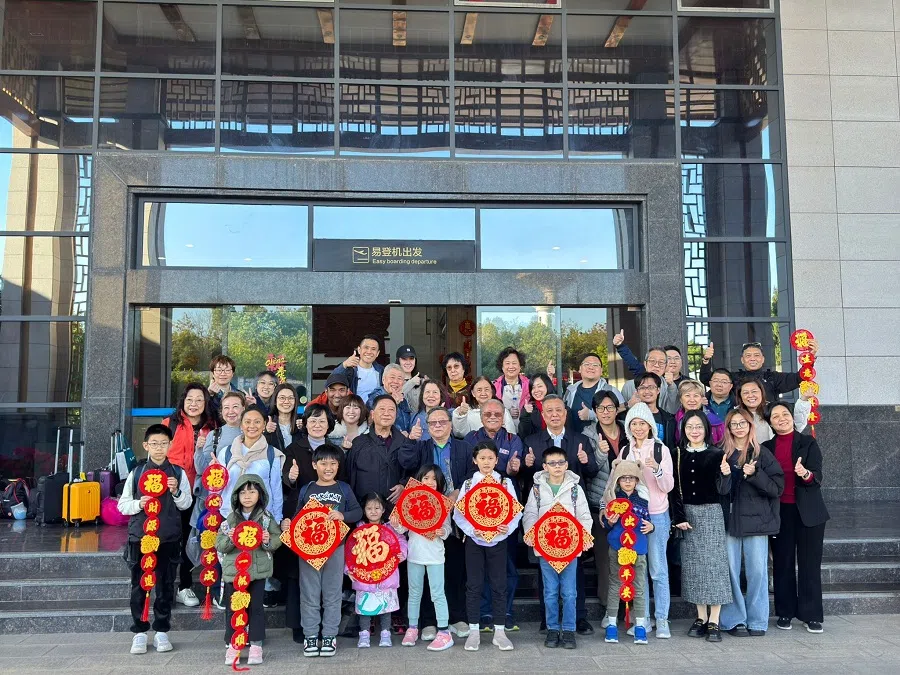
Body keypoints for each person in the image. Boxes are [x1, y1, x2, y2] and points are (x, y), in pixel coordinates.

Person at [521, 394, 598, 635]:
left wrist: (585, 461)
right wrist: (524, 464)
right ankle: (549, 621)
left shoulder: (580, 439)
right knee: (548, 578)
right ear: (543, 416)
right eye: (549, 411)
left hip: (573, 515)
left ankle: (579, 618)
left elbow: (593, 470)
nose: (554, 414)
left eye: (559, 411)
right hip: (544, 519)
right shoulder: (533, 440)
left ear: (566, 414)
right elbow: (526, 476)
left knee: (574, 576)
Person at [398, 406, 474, 637]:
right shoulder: (421, 447)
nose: (438, 426)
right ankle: (428, 621)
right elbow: (406, 465)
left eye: (442, 422)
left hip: (454, 518)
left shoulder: (463, 447)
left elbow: (472, 474)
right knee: (423, 575)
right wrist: (412, 439)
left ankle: (457, 617)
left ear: (451, 424)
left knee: (454, 569)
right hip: (424, 519)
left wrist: (457, 492)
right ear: (427, 427)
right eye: (433, 423)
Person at [119, 424, 193, 656]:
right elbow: (122, 505)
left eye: (163, 444)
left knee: (165, 586)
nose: (159, 448)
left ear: (170, 445)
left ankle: (162, 631)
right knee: (139, 586)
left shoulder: (178, 474)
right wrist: (139, 504)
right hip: (141, 537)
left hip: (169, 538)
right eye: (154, 444)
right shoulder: (137, 473)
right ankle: (139, 633)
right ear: (146, 446)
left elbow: (186, 504)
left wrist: (176, 492)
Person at [287, 444, 362, 658]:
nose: (328, 468)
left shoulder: (344, 489)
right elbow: (297, 517)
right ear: (314, 465)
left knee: (332, 594)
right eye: (323, 463)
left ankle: (329, 635)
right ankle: (311, 635)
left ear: (338, 465)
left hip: (336, 549)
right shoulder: (307, 489)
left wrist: (343, 516)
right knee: (309, 594)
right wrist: (288, 525)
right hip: (308, 551)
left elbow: (356, 511)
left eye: (333, 463)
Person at [717, 408, 784, 637]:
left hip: (757, 521)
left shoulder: (761, 453)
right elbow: (718, 492)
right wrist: (725, 475)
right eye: (733, 424)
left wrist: (755, 475)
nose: (738, 427)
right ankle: (734, 619)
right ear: (728, 428)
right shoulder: (721, 453)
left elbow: (777, 488)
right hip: (730, 522)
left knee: (757, 572)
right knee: (731, 572)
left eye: (742, 423)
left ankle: (757, 620)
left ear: (749, 425)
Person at [764, 401, 830, 634]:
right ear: (769, 422)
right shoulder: (766, 447)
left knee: (810, 564)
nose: (781, 418)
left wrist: (806, 474)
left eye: (785, 414)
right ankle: (785, 612)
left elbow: (818, 475)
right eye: (775, 416)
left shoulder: (808, 442)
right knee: (782, 563)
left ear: (792, 417)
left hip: (809, 512)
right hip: (780, 512)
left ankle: (811, 615)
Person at [670, 410, 732, 642]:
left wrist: (726, 475)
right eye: (689, 427)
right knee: (694, 567)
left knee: (714, 566)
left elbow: (724, 491)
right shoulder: (676, 454)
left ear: (706, 429)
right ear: (683, 429)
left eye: (698, 426)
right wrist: (679, 517)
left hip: (711, 513)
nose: (694, 431)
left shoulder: (718, 454)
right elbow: (674, 490)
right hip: (687, 514)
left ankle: (714, 619)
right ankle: (700, 617)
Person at [453, 441, 522, 651]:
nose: (486, 462)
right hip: (474, 541)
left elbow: (515, 511)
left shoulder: (504, 483)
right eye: (482, 458)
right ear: (475, 460)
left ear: (496, 460)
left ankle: (499, 631)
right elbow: (458, 514)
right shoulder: (467, 484)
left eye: (490, 458)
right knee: (473, 584)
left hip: (498, 541)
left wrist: (506, 528)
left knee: (499, 584)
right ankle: (474, 631)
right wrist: (471, 530)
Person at [522, 447, 593, 650]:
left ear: (567, 464)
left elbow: (584, 516)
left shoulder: (574, 488)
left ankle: (569, 630)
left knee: (570, 592)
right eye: (552, 463)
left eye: (560, 462)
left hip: (570, 549)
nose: (557, 467)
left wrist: (585, 536)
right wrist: (532, 534)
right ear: (544, 466)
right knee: (551, 591)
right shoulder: (536, 489)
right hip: (546, 550)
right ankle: (553, 628)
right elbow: (530, 515)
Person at [465, 398, 523, 632]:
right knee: (478, 572)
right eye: (487, 413)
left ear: (504, 416)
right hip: (476, 514)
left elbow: (515, 471)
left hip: (504, 515)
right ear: (480, 417)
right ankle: (485, 612)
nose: (492, 417)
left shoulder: (513, 439)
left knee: (505, 567)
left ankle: (505, 612)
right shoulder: (470, 439)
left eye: (497, 414)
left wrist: (514, 469)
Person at [280, 403, 337, 641]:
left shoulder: (335, 449)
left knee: (327, 576)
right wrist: (290, 477)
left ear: (329, 425)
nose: (317, 425)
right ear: (305, 424)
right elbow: (285, 481)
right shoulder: (294, 449)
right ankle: (299, 626)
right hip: (300, 517)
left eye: (322, 421)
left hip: (330, 519)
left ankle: (327, 628)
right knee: (299, 575)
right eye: (313, 420)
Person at [618, 402, 674, 639]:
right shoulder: (624, 452)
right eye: (634, 424)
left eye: (642, 423)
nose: (638, 428)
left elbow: (668, 486)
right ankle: (643, 619)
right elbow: (618, 483)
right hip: (632, 517)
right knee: (637, 571)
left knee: (658, 570)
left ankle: (662, 619)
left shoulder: (661, 449)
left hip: (657, 515)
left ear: (650, 426)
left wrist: (657, 469)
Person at [217, 474, 283, 666]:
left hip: (257, 571)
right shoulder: (230, 519)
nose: (247, 496)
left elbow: (277, 538)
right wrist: (229, 538)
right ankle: (234, 643)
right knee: (234, 608)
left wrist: (267, 540)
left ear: (260, 494)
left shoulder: (266, 518)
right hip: (234, 573)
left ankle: (255, 644)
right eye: (243, 492)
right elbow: (219, 543)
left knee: (256, 608)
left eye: (252, 491)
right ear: (236, 495)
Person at [162, 383, 216, 608]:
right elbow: (158, 455)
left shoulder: (213, 427)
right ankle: (167, 587)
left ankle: (184, 585)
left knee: (191, 536)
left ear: (206, 404)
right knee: (171, 537)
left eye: (199, 400)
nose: (194, 404)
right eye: (190, 399)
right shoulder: (170, 424)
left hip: (201, 491)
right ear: (183, 401)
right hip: (173, 488)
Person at [391, 464, 455, 651]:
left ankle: (444, 631)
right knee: (414, 593)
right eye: (426, 478)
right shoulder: (410, 500)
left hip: (435, 556)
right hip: (414, 555)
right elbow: (403, 528)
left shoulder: (441, 502)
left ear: (439, 483)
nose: (430, 482)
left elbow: (448, 529)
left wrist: (441, 531)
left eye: (434, 479)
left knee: (438, 594)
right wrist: (396, 523)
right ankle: (412, 628)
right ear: (419, 480)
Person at [600, 458, 654, 645]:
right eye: (623, 478)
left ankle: (640, 625)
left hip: (638, 548)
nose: (628, 481)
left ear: (638, 480)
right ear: (617, 480)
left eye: (632, 478)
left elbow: (648, 521)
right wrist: (611, 521)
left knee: (638, 586)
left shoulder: (643, 499)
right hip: (617, 547)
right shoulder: (612, 498)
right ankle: (612, 624)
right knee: (616, 585)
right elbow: (606, 524)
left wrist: (651, 527)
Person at [348, 493, 408, 649]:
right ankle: (364, 635)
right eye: (369, 508)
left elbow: (401, 541)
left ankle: (385, 634)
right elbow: (351, 553)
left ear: (383, 510)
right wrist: (348, 569)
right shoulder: (359, 530)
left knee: (386, 608)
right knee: (364, 609)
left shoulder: (391, 528)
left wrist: (402, 553)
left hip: (386, 576)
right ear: (364, 510)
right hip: (364, 577)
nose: (373, 511)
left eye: (377, 508)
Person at [580, 390, 619, 615]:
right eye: (601, 408)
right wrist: (601, 454)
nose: (606, 412)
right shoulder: (588, 434)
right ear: (595, 412)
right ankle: (609, 609)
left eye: (610, 407)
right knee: (605, 562)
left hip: (627, 504)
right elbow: (589, 470)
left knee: (628, 558)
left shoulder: (627, 430)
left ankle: (632, 608)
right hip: (600, 505)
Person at [699, 339, 820, 403]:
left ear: (763, 359)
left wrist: (810, 358)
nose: (752, 358)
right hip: (741, 429)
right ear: (742, 360)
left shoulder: (773, 377)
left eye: (756, 355)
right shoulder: (734, 378)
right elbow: (706, 379)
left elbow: (799, 378)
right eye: (748, 356)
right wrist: (706, 359)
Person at [346, 395, 407, 505]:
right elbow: (349, 476)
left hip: (395, 512)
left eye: (391, 410)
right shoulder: (359, 443)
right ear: (372, 415)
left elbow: (413, 472)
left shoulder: (404, 443)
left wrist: (404, 485)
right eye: (382, 409)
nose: (387, 413)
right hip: (366, 511)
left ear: (396, 415)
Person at [562, 353, 624, 435]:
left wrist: (593, 414)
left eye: (595, 365)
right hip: (573, 440)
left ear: (601, 371)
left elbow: (621, 409)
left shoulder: (610, 390)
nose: (591, 367)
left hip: (599, 441)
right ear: (580, 369)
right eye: (587, 364)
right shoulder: (570, 391)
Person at [736, 378, 811, 444]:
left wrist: (804, 399)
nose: (750, 395)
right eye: (745, 393)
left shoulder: (773, 409)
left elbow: (796, 425)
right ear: (740, 397)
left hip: (773, 456)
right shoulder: (735, 415)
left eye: (754, 391)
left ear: (761, 393)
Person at [619, 346, 680, 415]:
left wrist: (671, 386)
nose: (656, 365)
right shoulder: (629, 386)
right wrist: (628, 405)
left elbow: (673, 411)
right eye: (652, 361)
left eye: (661, 362)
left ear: (666, 366)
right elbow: (621, 413)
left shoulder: (669, 387)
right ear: (645, 364)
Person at [627, 373, 677, 451]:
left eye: (651, 387)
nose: (647, 391)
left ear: (658, 390)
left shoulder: (669, 420)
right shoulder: (629, 418)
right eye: (642, 388)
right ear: (637, 391)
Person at [334, 334, 384, 405]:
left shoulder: (381, 370)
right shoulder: (350, 369)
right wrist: (344, 365)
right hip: (354, 411)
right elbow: (331, 381)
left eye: (373, 349)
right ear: (359, 350)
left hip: (374, 413)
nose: (369, 352)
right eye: (366, 348)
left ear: (377, 353)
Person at [675, 379, 725, 446]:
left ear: (702, 399)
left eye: (696, 395)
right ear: (681, 399)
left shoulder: (715, 422)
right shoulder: (674, 420)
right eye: (687, 395)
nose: (692, 400)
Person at [492, 347, 531, 432]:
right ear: (502, 367)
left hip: (527, 431)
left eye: (514, 363)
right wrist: (507, 412)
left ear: (520, 366)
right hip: (503, 433)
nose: (511, 366)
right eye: (507, 363)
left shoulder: (530, 384)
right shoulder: (494, 387)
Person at [366, 363, 414, 432]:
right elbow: (371, 423)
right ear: (383, 380)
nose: (395, 381)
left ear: (403, 382)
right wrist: (392, 403)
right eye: (392, 377)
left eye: (399, 378)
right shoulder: (375, 398)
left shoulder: (402, 399)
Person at [517, 373, 554, 439]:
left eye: (539, 386)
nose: (536, 390)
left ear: (547, 386)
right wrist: (526, 414)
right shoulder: (529, 408)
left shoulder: (560, 406)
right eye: (533, 387)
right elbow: (524, 435)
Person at [207, 354, 239, 419]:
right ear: (213, 373)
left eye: (227, 370)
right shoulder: (204, 396)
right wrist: (208, 395)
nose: (223, 374)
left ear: (232, 373)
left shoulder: (241, 395)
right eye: (219, 370)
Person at [397, 344, 425, 413]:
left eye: (411, 359)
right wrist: (411, 383)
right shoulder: (393, 381)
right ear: (398, 361)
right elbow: (394, 399)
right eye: (404, 359)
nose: (408, 362)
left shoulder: (423, 381)